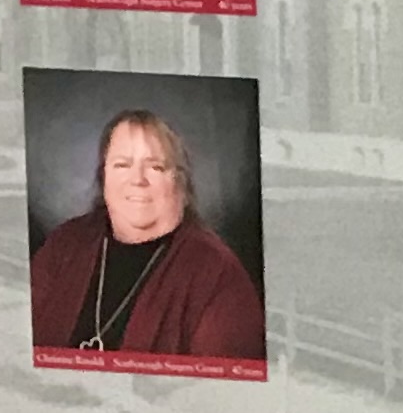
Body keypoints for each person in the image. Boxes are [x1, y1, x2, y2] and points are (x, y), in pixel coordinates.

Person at [26, 109, 265, 358]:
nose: (137, 179)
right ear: (103, 175)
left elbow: (222, 390)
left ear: (180, 182)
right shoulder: (66, 242)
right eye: (122, 165)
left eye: (156, 167)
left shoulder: (218, 273)